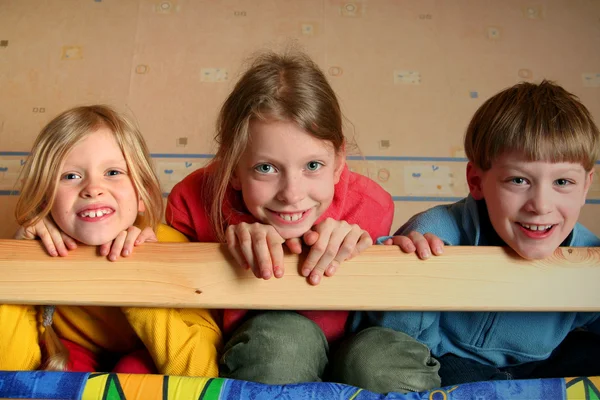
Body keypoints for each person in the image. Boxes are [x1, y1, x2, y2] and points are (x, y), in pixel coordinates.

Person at [166, 50, 441, 392]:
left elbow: (382, 308)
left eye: (313, 166)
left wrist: (388, 248)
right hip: (259, 350)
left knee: (377, 360)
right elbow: (173, 312)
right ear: (232, 167)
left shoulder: (370, 206)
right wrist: (224, 249)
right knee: (283, 341)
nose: (291, 194)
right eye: (265, 168)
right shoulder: (192, 201)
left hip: (351, 348)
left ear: (339, 160)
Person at [350, 80, 600, 385]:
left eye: (563, 183)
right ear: (477, 181)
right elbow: (393, 334)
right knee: (376, 356)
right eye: (519, 181)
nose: (541, 205)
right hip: (449, 359)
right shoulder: (436, 231)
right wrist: (411, 273)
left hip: (542, 363)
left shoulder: (589, 254)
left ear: (586, 185)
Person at [1, 105, 221, 377]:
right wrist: (17, 264)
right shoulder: (42, 252)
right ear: (45, 201)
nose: (93, 189)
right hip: (74, 358)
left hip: (149, 361)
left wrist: (134, 281)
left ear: (141, 194)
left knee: (134, 369)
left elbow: (203, 375)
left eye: (113, 173)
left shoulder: (173, 247)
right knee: (61, 371)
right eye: (71, 176)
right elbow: (10, 372)